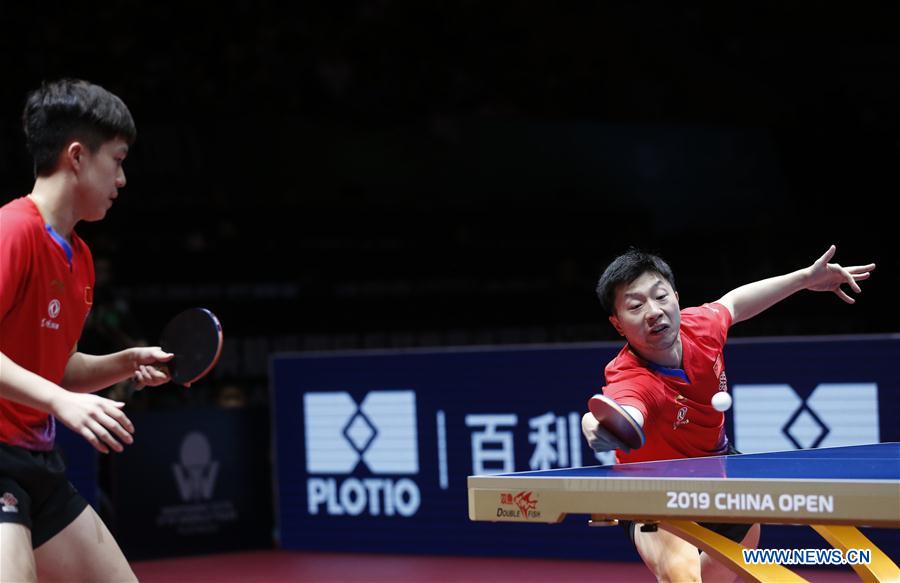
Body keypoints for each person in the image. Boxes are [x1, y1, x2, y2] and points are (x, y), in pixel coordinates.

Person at [581, 246, 875, 582]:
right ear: (618, 324)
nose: (653, 312)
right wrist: (594, 422)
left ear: (676, 298)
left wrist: (805, 278)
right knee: (684, 577)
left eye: (660, 296)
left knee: (731, 573)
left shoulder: (701, 328)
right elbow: (625, 409)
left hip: (721, 471)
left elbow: (734, 303)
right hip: (654, 489)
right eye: (635, 306)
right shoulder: (630, 375)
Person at [0, 79, 173, 583]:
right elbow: (56, 389)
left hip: (39, 464)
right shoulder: (14, 232)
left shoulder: (80, 259)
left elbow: (60, 365)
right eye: (117, 161)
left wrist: (125, 362)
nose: (122, 179)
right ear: (77, 156)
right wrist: (60, 402)